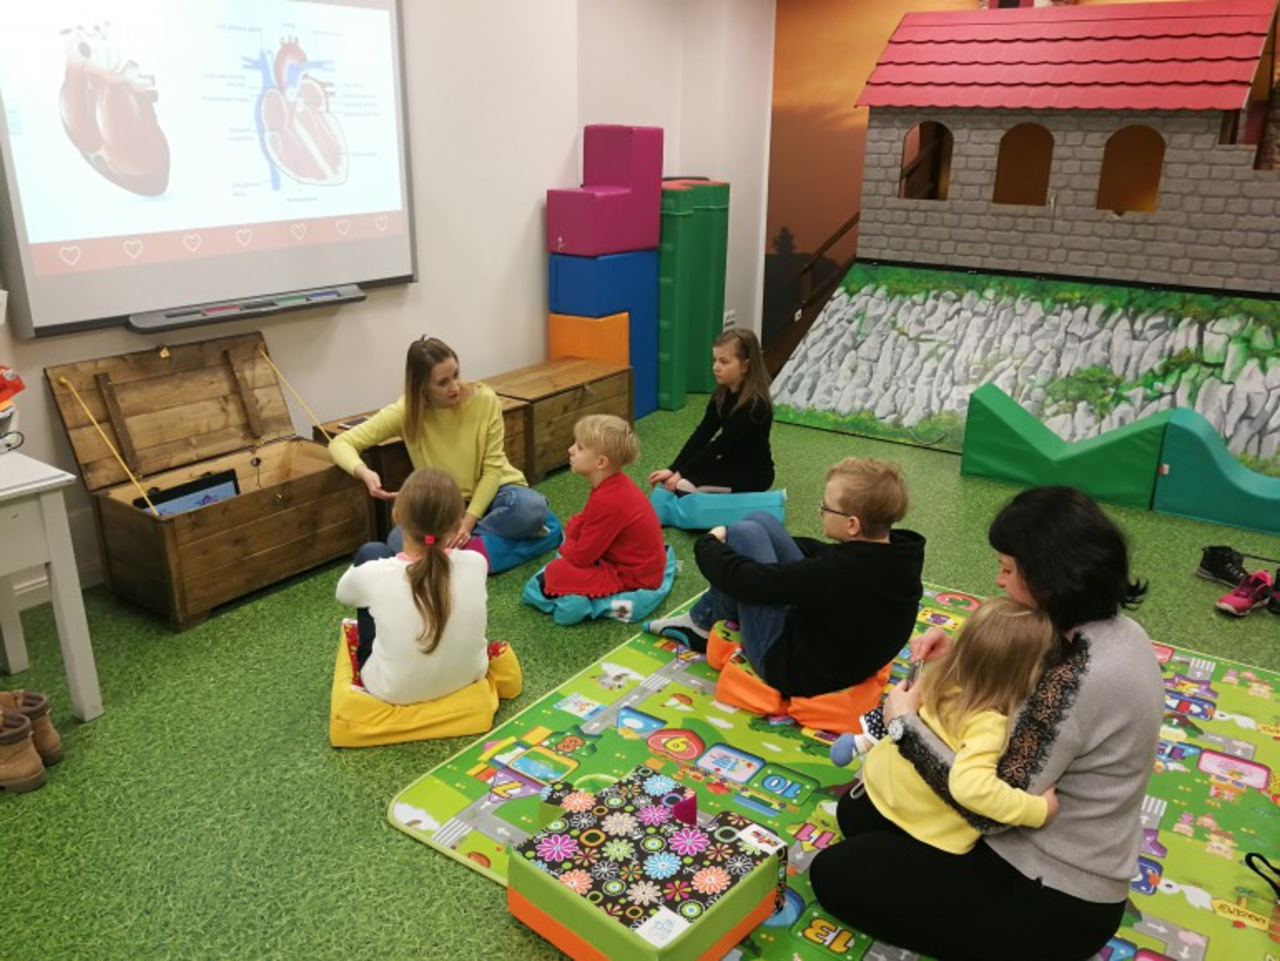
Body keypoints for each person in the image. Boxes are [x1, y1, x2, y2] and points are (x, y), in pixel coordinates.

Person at [810, 486, 1165, 961]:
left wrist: (904, 724)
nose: (999, 581)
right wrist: (964, 659)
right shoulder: (1114, 631)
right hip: (1027, 843)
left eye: (1008, 569)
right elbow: (1020, 672)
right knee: (860, 813)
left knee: (834, 875)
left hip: (1050, 893)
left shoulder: (1078, 678)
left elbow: (985, 807)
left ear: (1050, 576)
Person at [646, 457, 925, 699]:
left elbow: (747, 581)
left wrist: (707, 543)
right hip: (834, 647)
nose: (820, 512)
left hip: (792, 669)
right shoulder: (898, 554)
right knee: (761, 521)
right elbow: (824, 554)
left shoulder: (835, 573)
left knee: (744, 533)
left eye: (826, 508)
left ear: (852, 525)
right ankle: (704, 617)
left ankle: (700, 623)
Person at [837, 597, 1060, 856]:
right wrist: (1039, 810)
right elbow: (971, 787)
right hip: (923, 830)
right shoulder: (990, 723)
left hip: (870, 796)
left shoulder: (938, 679)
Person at [329, 336, 547, 552]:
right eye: (443, 383)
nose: (454, 386)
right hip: (445, 504)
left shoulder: (484, 399)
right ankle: (476, 545)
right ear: (421, 386)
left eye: (456, 375)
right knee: (397, 539)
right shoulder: (405, 412)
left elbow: (493, 470)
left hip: (496, 491)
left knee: (532, 509)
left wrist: (467, 524)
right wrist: (364, 472)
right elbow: (341, 443)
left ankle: (448, 547)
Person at [335, 468, 490, 706]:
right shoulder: (476, 562)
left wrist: (373, 571)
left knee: (372, 551)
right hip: (469, 675)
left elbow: (343, 594)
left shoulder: (374, 574)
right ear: (458, 524)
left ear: (396, 516)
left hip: (394, 691)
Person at [542, 414, 666, 598]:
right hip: (628, 562)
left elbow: (582, 557)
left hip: (633, 577)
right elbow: (586, 520)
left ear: (601, 462)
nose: (570, 450)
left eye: (579, 447)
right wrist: (575, 536)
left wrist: (567, 544)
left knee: (555, 572)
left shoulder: (608, 499)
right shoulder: (614, 484)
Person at [647, 328, 774, 494]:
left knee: (683, 485)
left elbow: (720, 445)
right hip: (728, 463)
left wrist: (680, 474)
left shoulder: (755, 405)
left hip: (754, 474)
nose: (715, 367)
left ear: (745, 365)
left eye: (724, 362)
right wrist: (674, 468)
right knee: (681, 480)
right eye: (715, 360)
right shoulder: (721, 394)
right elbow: (703, 433)